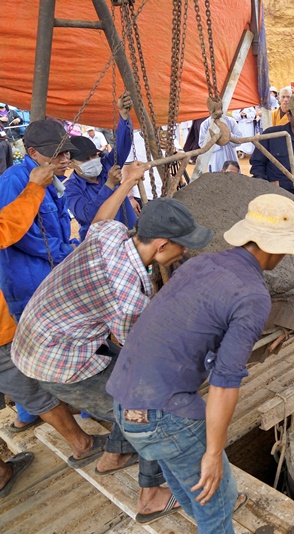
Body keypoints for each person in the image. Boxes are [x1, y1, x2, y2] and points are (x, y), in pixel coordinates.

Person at [107, 194, 294, 533]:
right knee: (214, 503)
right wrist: (213, 454)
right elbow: (224, 383)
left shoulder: (201, 264)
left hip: (124, 400)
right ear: (275, 247)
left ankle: (207, 510)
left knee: (191, 484)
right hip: (165, 414)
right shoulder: (252, 294)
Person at [12, 169, 207, 521]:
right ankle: (149, 497)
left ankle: (114, 455)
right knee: (150, 406)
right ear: (162, 245)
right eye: (183, 245)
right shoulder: (126, 294)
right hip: (57, 359)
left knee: (125, 382)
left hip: (47, 336)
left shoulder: (115, 235)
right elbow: (145, 358)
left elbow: (101, 218)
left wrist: (128, 183)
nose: (185, 251)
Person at [0, 161, 115, 499]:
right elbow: (10, 227)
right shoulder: (17, 182)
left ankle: (3, 471)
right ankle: (82, 444)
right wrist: (35, 188)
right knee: (35, 388)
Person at [0, 119, 79, 321]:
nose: (63, 160)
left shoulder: (54, 181)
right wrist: (67, 252)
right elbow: (19, 234)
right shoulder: (15, 179)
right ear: (33, 152)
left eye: (66, 153)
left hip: (54, 280)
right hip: (30, 289)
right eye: (55, 154)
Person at [65, 91, 136, 241]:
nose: (92, 160)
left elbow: (122, 146)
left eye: (94, 156)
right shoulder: (71, 189)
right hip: (102, 245)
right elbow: (88, 215)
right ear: (71, 163)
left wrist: (123, 116)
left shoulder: (107, 165)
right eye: (85, 159)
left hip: (130, 233)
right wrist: (109, 185)